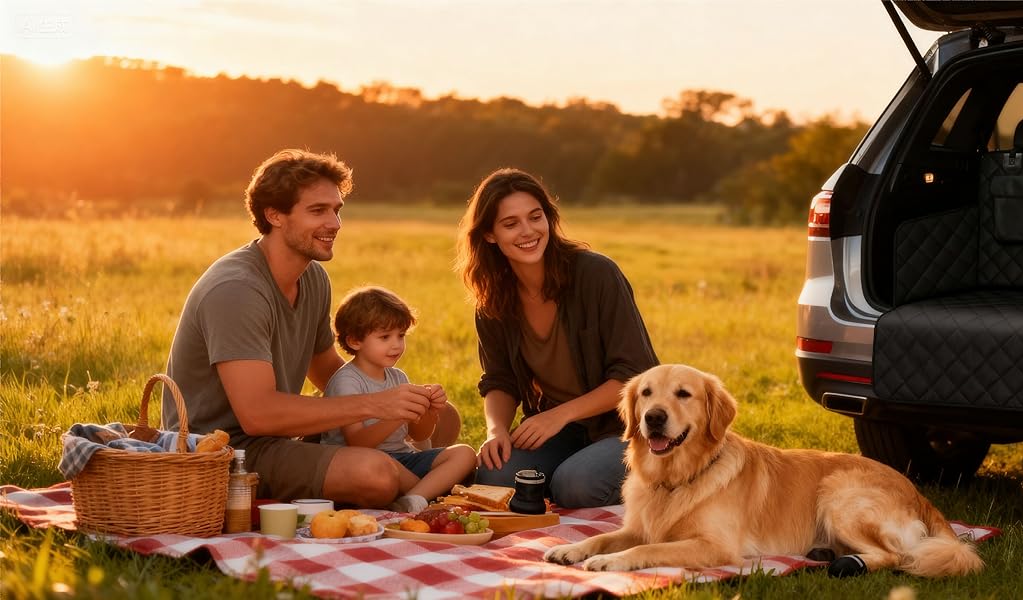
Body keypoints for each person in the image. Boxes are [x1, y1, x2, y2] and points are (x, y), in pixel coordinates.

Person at [162, 149, 462, 507]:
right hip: (226, 450)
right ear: (274, 215)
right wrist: (374, 405)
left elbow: (328, 372)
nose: (335, 224)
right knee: (374, 474)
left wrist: (404, 399)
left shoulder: (313, 278)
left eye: (336, 210)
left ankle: (423, 484)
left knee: (444, 417)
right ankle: (433, 491)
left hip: (278, 437)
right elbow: (258, 415)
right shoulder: (237, 289)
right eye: (318, 211)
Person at [457, 168, 657, 508]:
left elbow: (634, 376)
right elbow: (499, 380)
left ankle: (663, 476)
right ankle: (568, 470)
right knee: (495, 476)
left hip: (625, 426)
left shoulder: (596, 275)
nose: (528, 231)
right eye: (511, 223)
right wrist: (497, 431)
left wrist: (558, 415)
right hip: (561, 431)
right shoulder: (493, 301)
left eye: (536, 217)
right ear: (490, 235)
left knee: (574, 485)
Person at [320, 286, 478, 514]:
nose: (396, 345)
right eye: (385, 337)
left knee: (464, 454)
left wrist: (428, 410)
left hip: (403, 457)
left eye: (401, 335)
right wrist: (396, 414)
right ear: (355, 341)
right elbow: (358, 443)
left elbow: (419, 435)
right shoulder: (347, 381)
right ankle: (432, 496)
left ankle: (414, 499)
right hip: (362, 464)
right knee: (387, 466)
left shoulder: (398, 377)